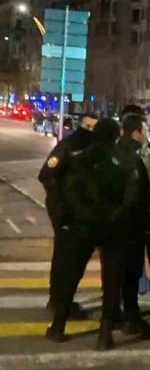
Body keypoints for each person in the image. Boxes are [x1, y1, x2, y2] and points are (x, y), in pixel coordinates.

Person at [45, 119, 139, 350]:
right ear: (116, 136)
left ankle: (58, 326)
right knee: (111, 280)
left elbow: (67, 192)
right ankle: (105, 335)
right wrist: (115, 216)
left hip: (82, 226)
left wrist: (73, 217)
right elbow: (131, 197)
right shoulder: (125, 162)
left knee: (71, 275)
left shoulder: (80, 159)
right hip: (113, 228)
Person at [40, 112, 99, 318]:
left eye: (94, 128)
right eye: (87, 127)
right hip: (64, 214)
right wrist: (61, 205)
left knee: (68, 259)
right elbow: (46, 174)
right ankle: (59, 304)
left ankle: (60, 301)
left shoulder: (91, 150)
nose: (89, 132)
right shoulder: (67, 146)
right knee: (65, 259)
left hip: (77, 214)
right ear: (80, 126)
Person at [113, 114, 150, 335]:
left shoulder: (111, 152)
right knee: (131, 273)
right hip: (131, 226)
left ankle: (112, 316)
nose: (146, 136)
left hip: (111, 225)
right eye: (144, 131)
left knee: (114, 274)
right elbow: (138, 195)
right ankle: (131, 318)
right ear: (136, 133)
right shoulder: (134, 159)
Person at [121, 105, 150, 293]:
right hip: (137, 207)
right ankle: (139, 284)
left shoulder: (147, 150)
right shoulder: (133, 151)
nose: (146, 133)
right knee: (138, 248)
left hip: (144, 206)